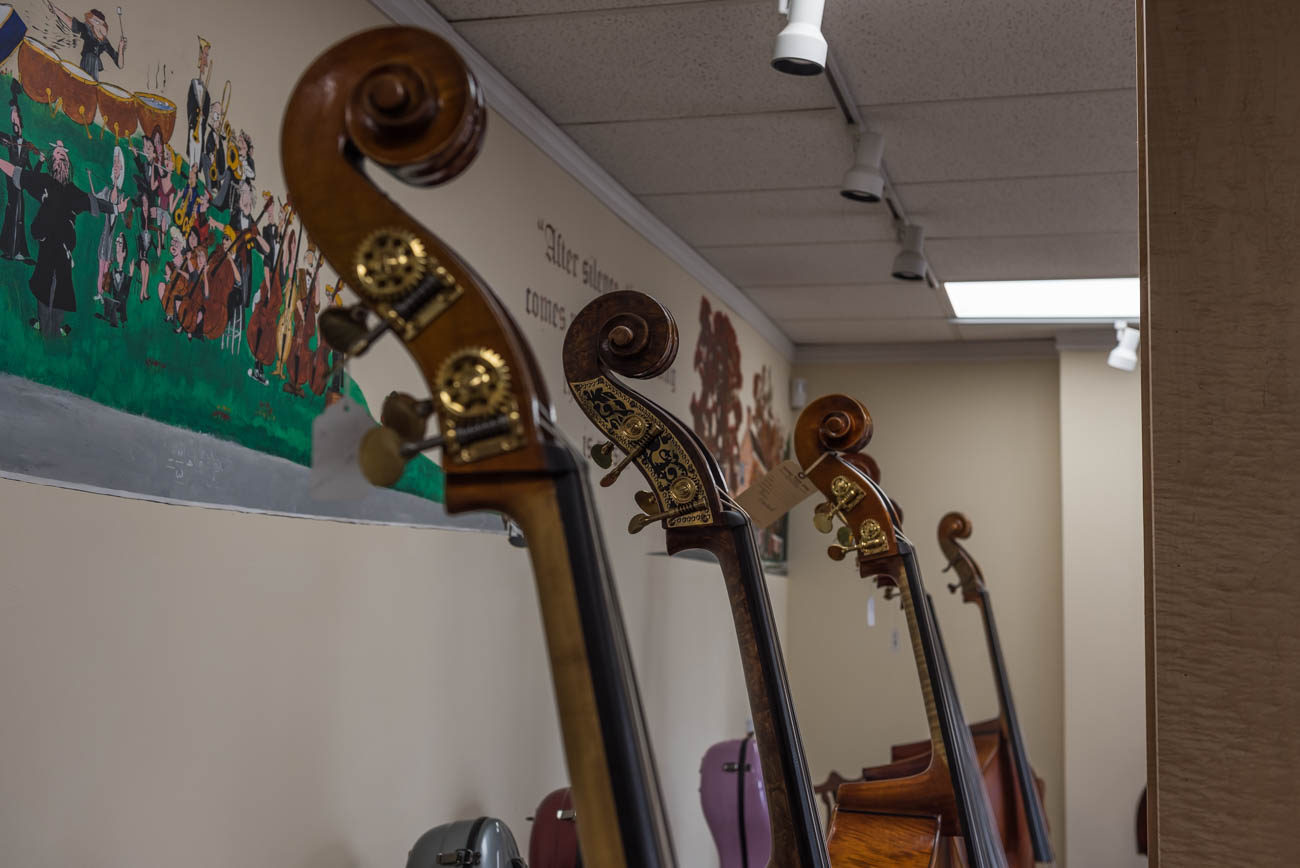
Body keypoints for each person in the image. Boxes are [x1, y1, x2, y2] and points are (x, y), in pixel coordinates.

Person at [0, 141, 116, 336]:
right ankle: (44, 326)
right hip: (46, 244)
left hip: (63, 248)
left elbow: (92, 202)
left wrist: (115, 208)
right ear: (52, 163)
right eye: (56, 156)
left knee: (62, 286)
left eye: (63, 156)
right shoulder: (44, 181)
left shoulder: (73, 192)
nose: (60, 158)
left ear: (68, 164)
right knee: (42, 284)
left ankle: (55, 328)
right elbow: (17, 173)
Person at [0, 82, 40, 262]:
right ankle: (9, 250)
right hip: (11, 183)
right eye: (12, 119)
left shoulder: (26, 146)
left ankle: (18, 251)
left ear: (20, 122)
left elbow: (33, 173)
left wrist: (39, 161)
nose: (13, 122)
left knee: (19, 216)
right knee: (12, 214)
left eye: (16, 119)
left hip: (20, 184)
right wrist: (12, 103)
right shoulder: (9, 139)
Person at [47, 4, 125, 81]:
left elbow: (120, 65)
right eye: (95, 21)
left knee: (91, 83)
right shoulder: (87, 30)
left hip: (94, 65)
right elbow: (69, 20)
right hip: (86, 61)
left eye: (100, 23)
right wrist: (55, 9)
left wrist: (120, 47)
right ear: (90, 21)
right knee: (84, 82)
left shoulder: (104, 42)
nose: (98, 25)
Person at [91, 145, 126, 301]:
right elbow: (95, 196)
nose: (116, 166)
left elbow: (122, 215)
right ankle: (99, 293)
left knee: (107, 270)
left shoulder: (122, 195)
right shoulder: (106, 190)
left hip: (112, 239)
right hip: (105, 237)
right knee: (101, 269)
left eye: (118, 164)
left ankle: (104, 293)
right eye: (114, 164)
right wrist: (91, 178)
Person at [94, 233, 133, 327]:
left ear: (124, 252)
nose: (117, 247)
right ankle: (112, 318)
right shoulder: (112, 271)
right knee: (109, 301)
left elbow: (126, 292)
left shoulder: (125, 274)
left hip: (121, 304)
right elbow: (107, 288)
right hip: (113, 303)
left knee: (115, 302)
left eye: (120, 244)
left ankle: (115, 318)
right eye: (117, 242)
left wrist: (131, 275)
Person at [185, 37, 210, 170]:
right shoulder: (193, 84)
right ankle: (191, 173)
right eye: (204, 54)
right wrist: (195, 115)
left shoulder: (206, 92)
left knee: (198, 150)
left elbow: (206, 107)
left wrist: (203, 115)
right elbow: (190, 105)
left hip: (200, 127)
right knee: (193, 149)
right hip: (194, 124)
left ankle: (195, 171)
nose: (205, 58)